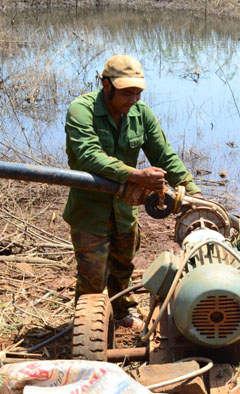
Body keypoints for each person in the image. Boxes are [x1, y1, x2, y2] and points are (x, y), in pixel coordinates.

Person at [63, 54, 201, 328]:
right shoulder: (82, 110)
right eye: (126, 93)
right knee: (92, 276)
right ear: (106, 85)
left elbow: (164, 156)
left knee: (123, 266)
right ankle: (88, 325)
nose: (132, 100)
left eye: (137, 93)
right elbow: (89, 156)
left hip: (124, 209)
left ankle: (122, 311)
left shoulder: (141, 114)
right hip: (89, 210)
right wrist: (137, 175)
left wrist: (194, 195)